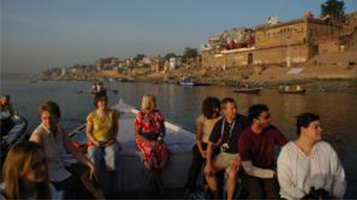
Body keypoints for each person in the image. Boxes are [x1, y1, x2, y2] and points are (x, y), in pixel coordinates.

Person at [29, 101, 105, 199]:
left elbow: (74, 151)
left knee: (88, 172)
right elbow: (33, 163)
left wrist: (91, 165)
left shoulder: (60, 130)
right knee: (77, 186)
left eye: (51, 117)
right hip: (49, 174)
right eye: (44, 118)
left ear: (58, 118)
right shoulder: (38, 136)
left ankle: (101, 197)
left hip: (61, 166)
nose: (48, 121)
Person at [277, 113, 346, 200]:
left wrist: (336, 196)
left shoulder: (327, 149)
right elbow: (286, 184)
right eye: (316, 127)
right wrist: (306, 198)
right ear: (303, 129)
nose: (321, 129)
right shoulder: (287, 152)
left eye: (320, 126)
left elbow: (339, 177)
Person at [238, 104, 288, 199]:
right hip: (249, 172)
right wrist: (274, 174)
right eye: (266, 117)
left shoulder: (272, 130)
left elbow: (287, 148)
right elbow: (249, 169)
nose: (270, 120)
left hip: (268, 168)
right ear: (255, 120)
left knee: (274, 195)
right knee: (257, 194)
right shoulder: (245, 137)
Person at [204, 97, 250, 200]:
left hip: (239, 155)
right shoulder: (219, 124)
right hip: (224, 155)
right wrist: (208, 163)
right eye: (232, 108)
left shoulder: (244, 121)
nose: (235, 111)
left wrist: (241, 157)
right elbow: (210, 145)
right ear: (224, 111)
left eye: (235, 108)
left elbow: (251, 141)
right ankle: (217, 197)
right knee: (208, 172)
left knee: (232, 173)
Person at [184, 97, 221, 195]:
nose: (217, 109)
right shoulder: (202, 119)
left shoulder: (221, 119)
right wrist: (201, 151)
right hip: (203, 145)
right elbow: (199, 137)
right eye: (214, 107)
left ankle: (207, 187)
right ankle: (190, 186)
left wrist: (213, 148)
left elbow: (221, 138)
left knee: (209, 163)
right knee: (196, 161)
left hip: (215, 145)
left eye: (217, 107)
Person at [134, 94, 169, 196]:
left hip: (156, 139)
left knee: (164, 151)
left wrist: (159, 139)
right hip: (144, 140)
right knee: (151, 153)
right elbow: (137, 134)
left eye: (155, 101)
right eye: (153, 101)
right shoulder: (140, 115)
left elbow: (163, 129)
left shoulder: (158, 114)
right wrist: (149, 142)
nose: (156, 103)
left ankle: (154, 182)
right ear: (148, 103)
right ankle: (159, 184)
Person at [86, 93, 121, 195]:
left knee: (113, 154)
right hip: (95, 142)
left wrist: (113, 139)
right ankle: (96, 187)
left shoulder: (112, 113)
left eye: (105, 100)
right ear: (97, 103)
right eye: (101, 101)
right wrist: (95, 142)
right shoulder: (92, 116)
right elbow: (88, 132)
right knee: (93, 154)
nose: (103, 103)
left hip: (109, 141)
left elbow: (116, 128)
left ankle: (113, 186)